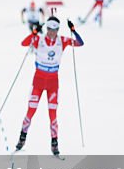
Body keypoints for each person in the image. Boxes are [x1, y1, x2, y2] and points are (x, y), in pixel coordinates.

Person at [14, 16, 84, 156]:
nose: (52, 32)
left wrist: (73, 30)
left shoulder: (62, 41)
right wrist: (34, 32)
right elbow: (23, 43)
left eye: (55, 30)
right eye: (50, 29)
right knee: (30, 111)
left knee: (53, 115)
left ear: (58, 29)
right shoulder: (38, 40)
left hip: (53, 83)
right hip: (38, 82)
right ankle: (22, 138)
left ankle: (54, 143)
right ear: (47, 29)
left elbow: (80, 43)